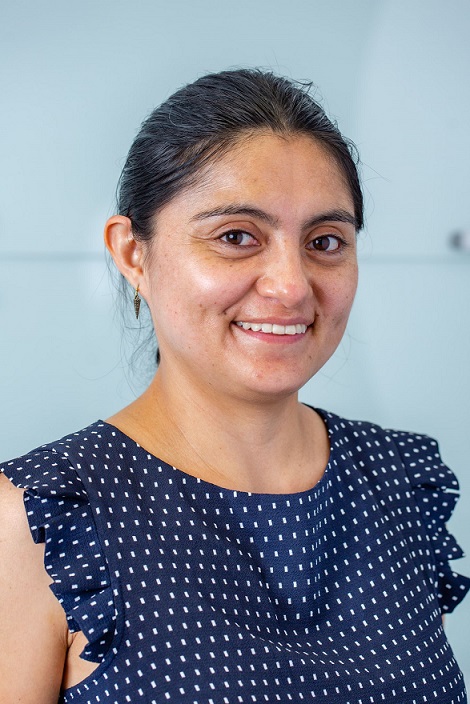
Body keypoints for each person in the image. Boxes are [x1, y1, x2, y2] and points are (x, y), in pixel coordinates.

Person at [0, 69, 468, 704]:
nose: (291, 286)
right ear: (133, 253)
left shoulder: (399, 482)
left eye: (325, 241)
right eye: (237, 237)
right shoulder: (39, 517)